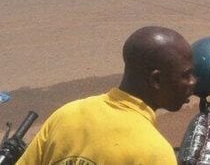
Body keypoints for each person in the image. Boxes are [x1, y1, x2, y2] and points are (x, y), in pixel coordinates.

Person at [17, 26, 196, 164]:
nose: (193, 82)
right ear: (156, 80)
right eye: (185, 75)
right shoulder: (154, 152)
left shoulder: (66, 114)